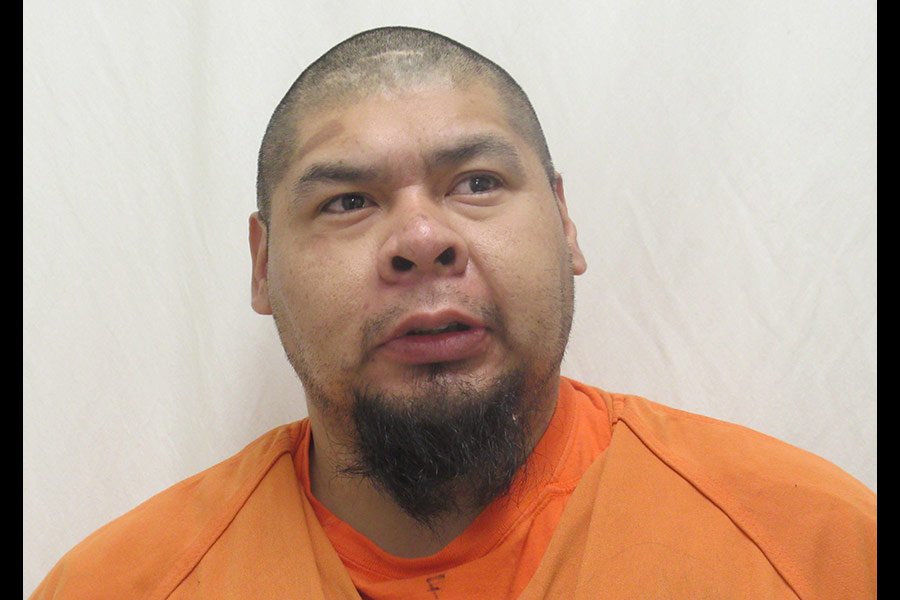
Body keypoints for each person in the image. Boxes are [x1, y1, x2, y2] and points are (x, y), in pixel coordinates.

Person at [29, 26, 876, 600]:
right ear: (261, 266)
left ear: (564, 224)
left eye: (476, 182)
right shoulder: (118, 585)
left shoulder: (815, 548)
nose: (423, 239)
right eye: (349, 200)